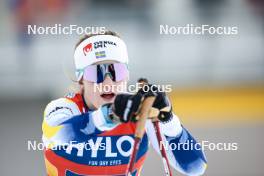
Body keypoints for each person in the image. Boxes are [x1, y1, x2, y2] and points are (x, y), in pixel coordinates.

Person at [42, 31, 207, 176]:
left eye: (116, 70)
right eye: (95, 72)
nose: (107, 82)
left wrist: (169, 122)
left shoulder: (141, 111)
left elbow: (195, 167)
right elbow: (58, 134)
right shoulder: (64, 108)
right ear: (81, 79)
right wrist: (110, 115)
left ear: (127, 75)